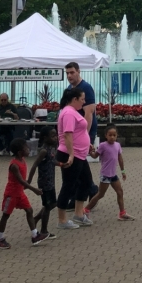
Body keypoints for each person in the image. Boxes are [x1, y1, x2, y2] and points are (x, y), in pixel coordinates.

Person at [0, 139, 48, 249]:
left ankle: (34, 235)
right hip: (11, 194)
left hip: (20, 193)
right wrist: (33, 189)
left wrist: (27, 183)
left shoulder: (22, 160)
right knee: (6, 215)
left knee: (29, 210)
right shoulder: (14, 165)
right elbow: (20, 181)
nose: (29, 150)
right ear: (19, 152)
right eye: (26, 148)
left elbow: (23, 181)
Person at [56, 87, 95, 230]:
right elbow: (67, 134)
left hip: (80, 154)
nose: (84, 102)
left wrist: (87, 143)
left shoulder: (73, 112)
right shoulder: (68, 113)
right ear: (74, 99)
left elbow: (78, 132)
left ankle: (79, 214)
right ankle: (62, 219)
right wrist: (71, 154)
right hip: (71, 155)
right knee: (69, 185)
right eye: (82, 99)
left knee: (86, 182)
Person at [84, 126, 133, 220]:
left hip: (113, 174)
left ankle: (122, 213)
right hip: (105, 175)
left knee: (120, 192)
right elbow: (95, 156)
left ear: (117, 135)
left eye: (114, 135)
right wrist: (91, 151)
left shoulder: (117, 145)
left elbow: (120, 158)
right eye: (110, 135)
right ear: (106, 135)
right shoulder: (103, 145)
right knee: (100, 194)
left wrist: (123, 171)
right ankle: (86, 210)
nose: (112, 137)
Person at [28, 126, 58, 237]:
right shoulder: (44, 150)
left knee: (53, 204)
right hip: (45, 182)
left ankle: (36, 218)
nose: (55, 138)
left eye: (56, 135)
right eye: (53, 136)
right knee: (47, 206)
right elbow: (34, 165)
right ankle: (44, 230)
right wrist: (29, 181)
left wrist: (61, 164)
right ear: (45, 138)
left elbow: (52, 161)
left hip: (51, 181)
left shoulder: (52, 148)